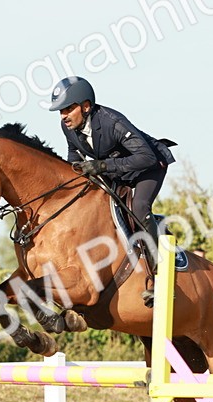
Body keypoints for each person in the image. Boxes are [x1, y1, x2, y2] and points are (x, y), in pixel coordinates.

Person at [49, 76, 175, 306]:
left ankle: (161, 274)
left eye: (68, 109)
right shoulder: (68, 127)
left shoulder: (111, 122)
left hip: (151, 165)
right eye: (60, 111)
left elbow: (145, 157)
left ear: (86, 106)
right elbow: (73, 156)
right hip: (120, 169)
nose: (63, 115)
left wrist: (103, 166)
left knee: (138, 207)